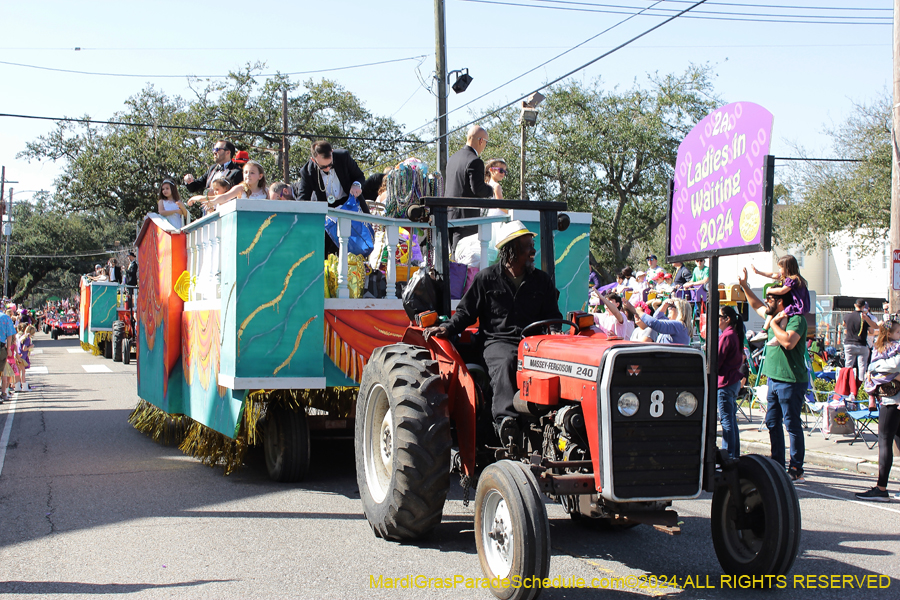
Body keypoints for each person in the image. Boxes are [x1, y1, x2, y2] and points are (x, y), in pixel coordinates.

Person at [422, 220, 562, 443]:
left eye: (532, 244)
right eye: (527, 246)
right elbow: (465, 313)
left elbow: (553, 316)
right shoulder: (486, 278)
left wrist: (555, 332)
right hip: (497, 341)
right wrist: (447, 328)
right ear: (511, 251)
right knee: (507, 361)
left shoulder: (542, 281)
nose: (533, 251)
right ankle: (506, 422)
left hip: (533, 343)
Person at [737, 267, 807, 482]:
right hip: (774, 379)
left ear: (781, 302)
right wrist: (745, 286)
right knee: (772, 422)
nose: (767, 302)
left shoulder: (795, 320)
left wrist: (775, 323)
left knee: (792, 424)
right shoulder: (774, 316)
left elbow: (788, 342)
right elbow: (756, 305)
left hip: (791, 380)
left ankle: (796, 468)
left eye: (771, 299)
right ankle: (777, 463)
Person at [856, 320, 900, 501]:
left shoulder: (895, 348)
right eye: (898, 332)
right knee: (895, 439)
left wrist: (874, 368)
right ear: (889, 334)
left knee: (884, 441)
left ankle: (881, 488)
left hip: (892, 399)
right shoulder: (880, 348)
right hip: (889, 397)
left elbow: (894, 366)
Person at [445, 125, 494, 253]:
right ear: (481, 141)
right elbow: (477, 189)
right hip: (466, 220)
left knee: (452, 259)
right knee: (463, 262)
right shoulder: (475, 161)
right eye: (486, 142)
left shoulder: (452, 159)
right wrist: (490, 190)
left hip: (448, 217)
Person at [292, 140, 368, 212]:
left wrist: (356, 184)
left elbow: (359, 176)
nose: (328, 168)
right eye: (323, 167)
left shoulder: (343, 157)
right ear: (313, 160)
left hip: (350, 203)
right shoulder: (307, 171)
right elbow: (303, 199)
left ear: (332, 152)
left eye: (330, 164)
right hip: (326, 210)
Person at [752, 255, 810, 347]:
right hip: (794, 303)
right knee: (782, 314)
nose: (779, 271)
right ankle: (764, 331)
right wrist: (758, 272)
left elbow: (783, 290)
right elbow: (772, 274)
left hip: (797, 305)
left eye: (780, 268)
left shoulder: (793, 279)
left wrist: (769, 290)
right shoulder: (787, 277)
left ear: (787, 268)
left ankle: (778, 336)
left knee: (784, 315)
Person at [717, 305, 745, 461]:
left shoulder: (727, 336)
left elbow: (718, 359)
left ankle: (729, 455)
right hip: (732, 381)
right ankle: (734, 454)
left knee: (727, 420)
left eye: (719, 317)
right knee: (731, 420)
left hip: (725, 382)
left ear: (726, 319)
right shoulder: (734, 334)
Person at [204, 160, 270, 209]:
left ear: (260, 176)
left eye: (252, 173)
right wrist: (213, 201)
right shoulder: (240, 188)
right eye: (245, 172)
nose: (248, 175)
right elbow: (225, 197)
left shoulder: (266, 191)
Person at [842, 298, 878, 381]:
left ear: (855, 305)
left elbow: (844, 324)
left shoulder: (848, 316)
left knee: (848, 365)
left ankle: (847, 384)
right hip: (861, 344)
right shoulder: (865, 317)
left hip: (849, 344)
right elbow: (872, 330)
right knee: (862, 366)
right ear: (864, 306)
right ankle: (861, 386)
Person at [0, 308, 15, 404]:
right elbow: (10, 335)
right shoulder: (5, 317)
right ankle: (3, 393)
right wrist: (9, 348)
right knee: (2, 371)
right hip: (1, 347)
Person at [16, 323, 34, 392]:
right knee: (22, 372)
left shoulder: (22, 336)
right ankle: (24, 386)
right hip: (22, 356)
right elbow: (24, 348)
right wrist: (30, 346)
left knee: (18, 371)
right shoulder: (27, 338)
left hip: (18, 355)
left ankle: (17, 386)